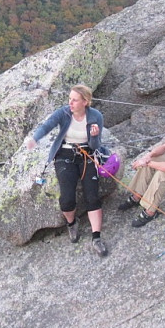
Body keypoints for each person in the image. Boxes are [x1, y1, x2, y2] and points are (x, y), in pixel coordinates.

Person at [25, 85, 108, 257]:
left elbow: (95, 146)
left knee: (92, 196)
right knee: (67, 199)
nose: (70, 102)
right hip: (65, 155)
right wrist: (34, 138)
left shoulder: (95, 116)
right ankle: (72, 223)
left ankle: (96, 238)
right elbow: (47, 126)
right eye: (70, 99)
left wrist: (94, 136)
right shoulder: (63, 113)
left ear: (85, 102)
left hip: (87, 155)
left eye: (75, 100)